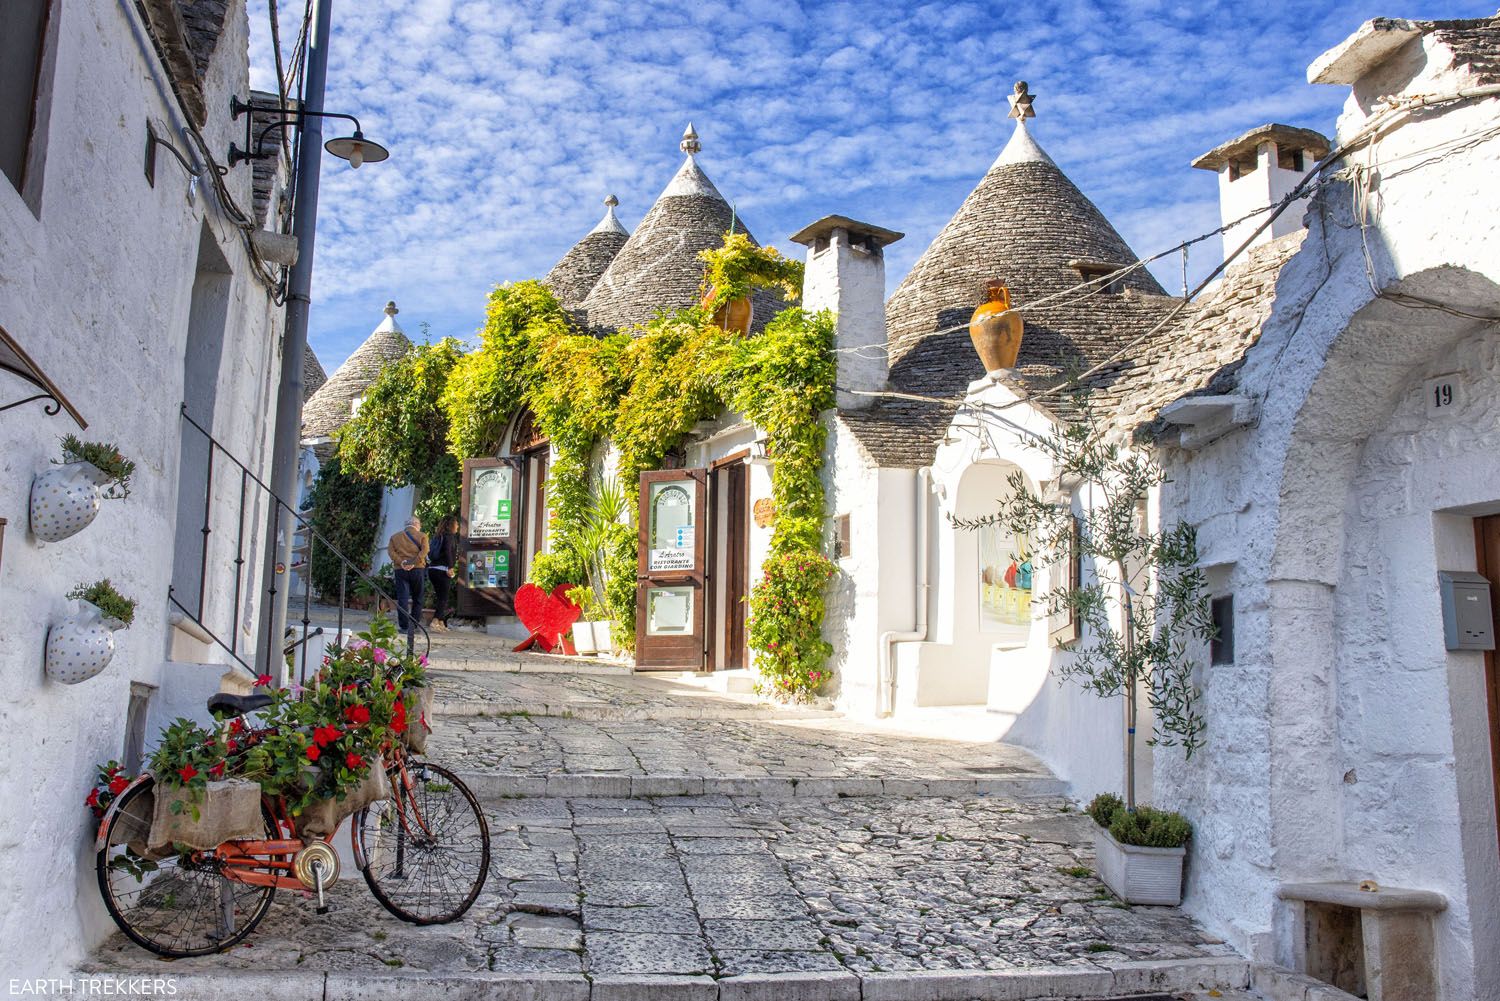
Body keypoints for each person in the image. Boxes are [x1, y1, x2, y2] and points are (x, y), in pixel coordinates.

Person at [387, 515, 428, 642]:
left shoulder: (395, 537)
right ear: (416, 524)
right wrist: (414, 562)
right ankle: (414, 625)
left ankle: (404, 626)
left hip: (401, 570)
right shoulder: (423, 536)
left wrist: (402, 562)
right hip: (417, 570)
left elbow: (390, 552)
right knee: (418, 598)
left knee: (403, 598)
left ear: (406, 525)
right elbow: (425, 551)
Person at [427, 515, 459, 629]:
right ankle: (435, 621)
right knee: (443, 597)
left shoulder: (437, 536)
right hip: (443, 570)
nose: (458, 526)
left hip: (432, 570)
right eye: (456, 524)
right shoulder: (449, 537)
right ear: (451, 525)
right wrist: (450, 567)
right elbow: (448, 552)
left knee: (440, 596)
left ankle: (441, 622)